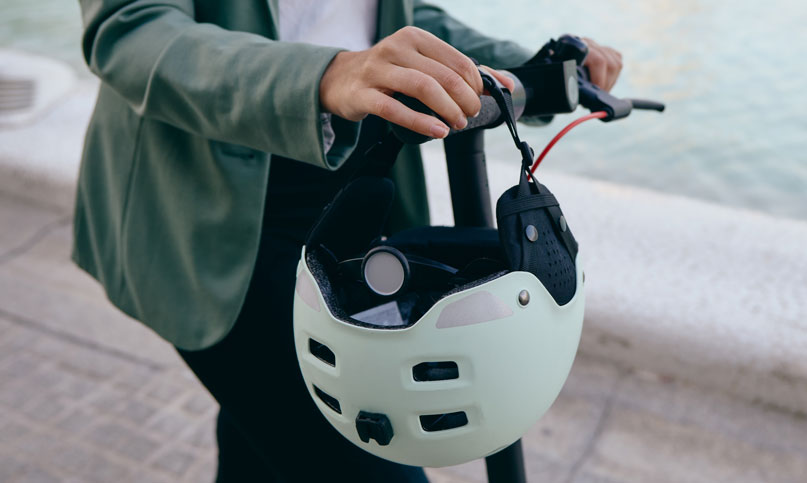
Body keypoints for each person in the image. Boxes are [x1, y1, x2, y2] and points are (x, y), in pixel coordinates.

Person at [72, 0, 622, 480]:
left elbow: (388, 18)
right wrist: (326, 74)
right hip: (202, 201)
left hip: (346, 181)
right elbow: (131, 27)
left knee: (262, 445)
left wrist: (539, 69)